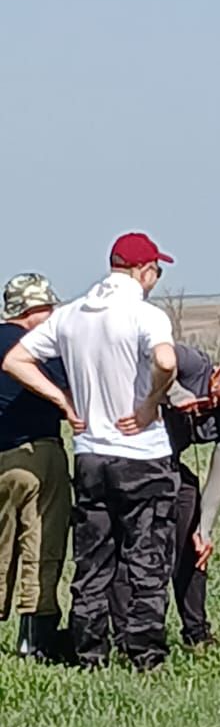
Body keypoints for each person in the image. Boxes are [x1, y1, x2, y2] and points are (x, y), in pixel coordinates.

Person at [2, 232, 179, 672]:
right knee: (146, 558)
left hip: (90, 454)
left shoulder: (71, 315)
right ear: (144, 270)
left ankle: (89, 651)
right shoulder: (145, 314)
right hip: (141, 454)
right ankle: (144, 653)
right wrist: (151, 402)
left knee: (93, 559)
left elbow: (16, 361)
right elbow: (167, 361)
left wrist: (64, 400)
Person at [109, 345, 220, 649]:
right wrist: (175, 393)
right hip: (132, 458)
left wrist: (205, 530)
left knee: (191, 545)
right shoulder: (194, 363)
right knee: (132, 547)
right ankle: (124, 634)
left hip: (172, 467)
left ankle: (196, 631)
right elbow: (149, 356)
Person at [0, 273, 71, 659]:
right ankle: (34, 638)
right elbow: (69, 385)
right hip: (38, 454)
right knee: (41, 544)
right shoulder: (36, 348)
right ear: (33, 309)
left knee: (2, 547)